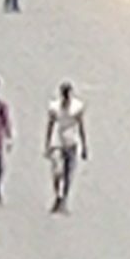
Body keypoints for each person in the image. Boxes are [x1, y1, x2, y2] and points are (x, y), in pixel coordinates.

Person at [44, 80, 88, 211]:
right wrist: (47, 143)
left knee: (69, 173)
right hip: (57, 142)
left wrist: (84, 145)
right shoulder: (54, 107)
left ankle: (64, 198)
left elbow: (81, 126)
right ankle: (58, 193)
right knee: (57, 172)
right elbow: (50, 125)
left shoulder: (76, 107)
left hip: (71, 142)